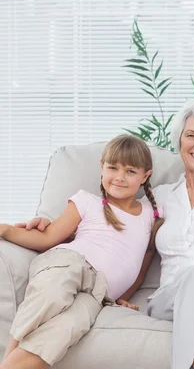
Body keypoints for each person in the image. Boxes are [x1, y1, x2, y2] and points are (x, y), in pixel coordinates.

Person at [19, 98, 194, 369]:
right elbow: (110, 229)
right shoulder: (159, 200)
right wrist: (49, 224)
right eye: (191, 136)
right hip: (170, 299)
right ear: (180, 142)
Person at [0, 134, 164, 369]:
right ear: (101, 167)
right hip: (70, 262)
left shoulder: (151, 215)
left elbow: (141, 264)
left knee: (68, 328)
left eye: (130, 171)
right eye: (113, 168)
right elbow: (48, 237)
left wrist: (122, 297)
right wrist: (5, 230)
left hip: (99, 294)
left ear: (145, 175)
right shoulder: (86, 201)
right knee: (52, 294)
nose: (119, 177)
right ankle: (8, 352)